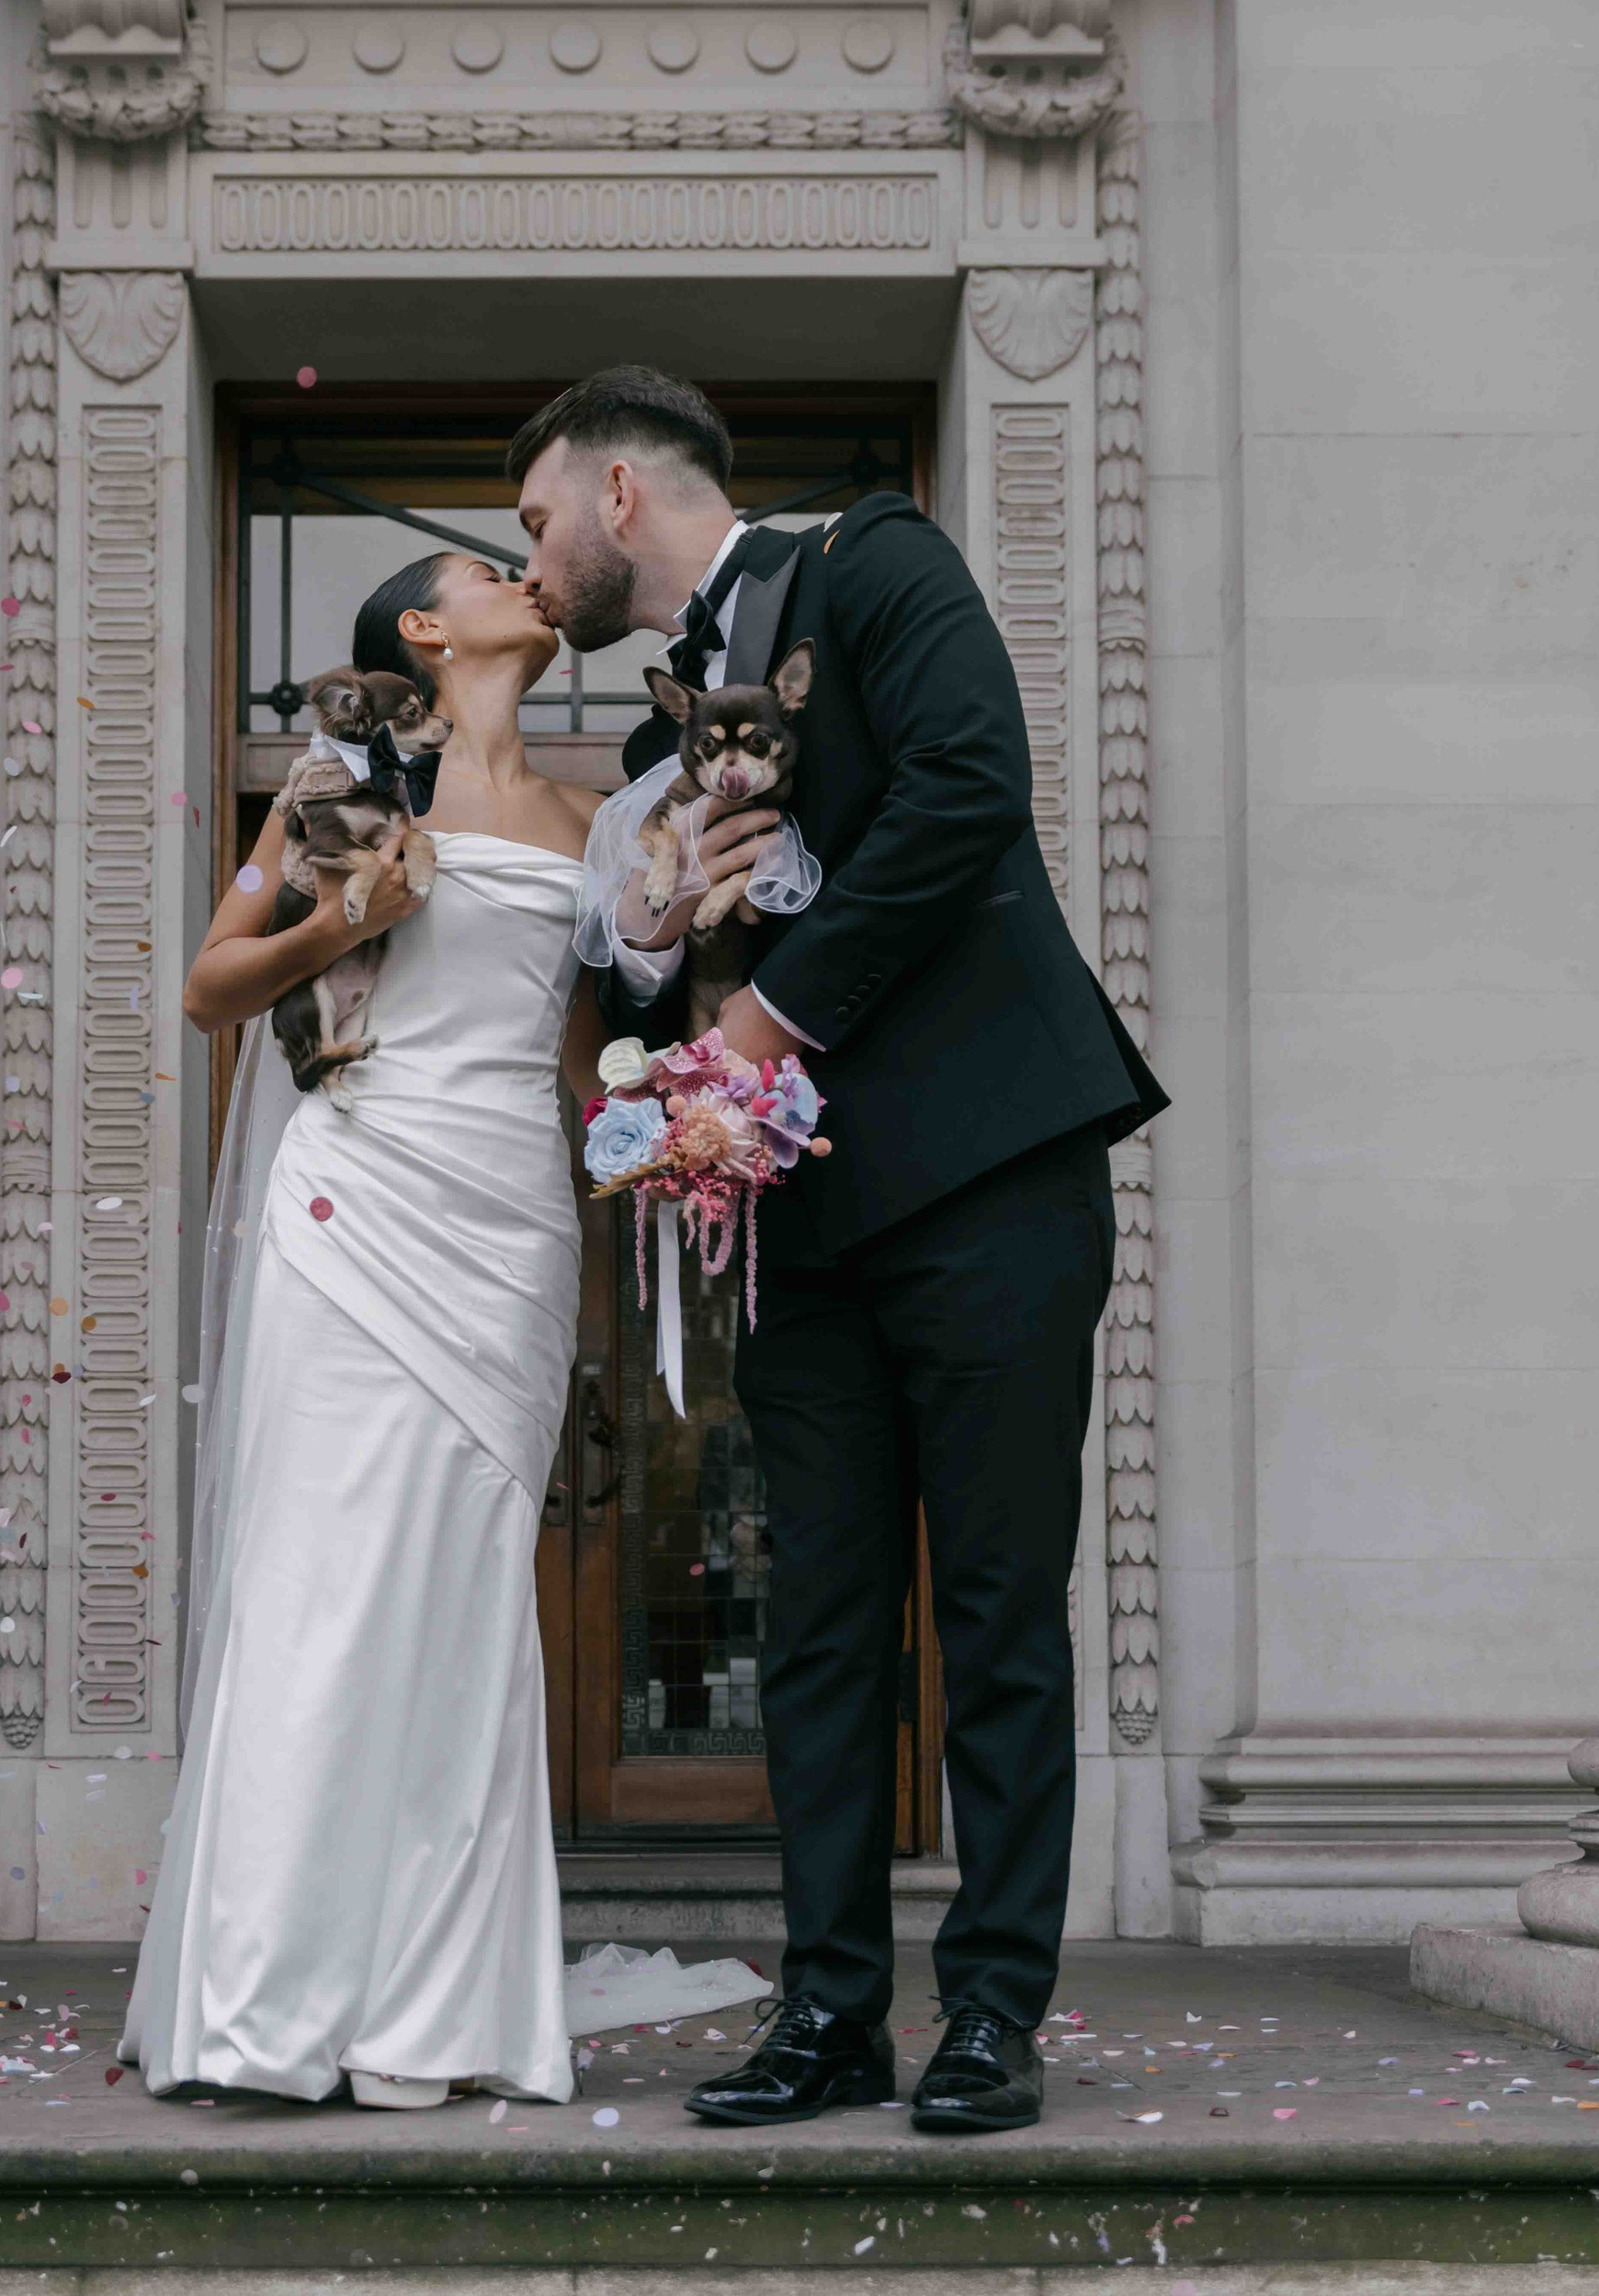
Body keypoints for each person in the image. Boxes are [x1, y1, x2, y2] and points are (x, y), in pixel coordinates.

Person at [513, 367, 1166, 2137]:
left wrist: (772, 1029)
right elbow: (653, 987)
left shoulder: (875, 563)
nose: (534, 559)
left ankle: (994, 2015)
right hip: (796, 1224)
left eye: (538, 519)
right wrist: (656, 971)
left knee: (998, 1608)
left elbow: (968, 790)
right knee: (812, 1621)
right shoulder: (659, 754)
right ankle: (826, 2016)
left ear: (624, 493)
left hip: (992, 1180)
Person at [120, 547, 604, 2108]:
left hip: (512, 1227)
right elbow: (210, 988)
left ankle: (433, 2014)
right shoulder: (330, 789)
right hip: (354, 1204)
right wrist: (347, 919)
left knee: (464, 1610)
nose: (530, 580)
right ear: (422, 628)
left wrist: (682, 1130)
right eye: (489, 569)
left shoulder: (596, 825)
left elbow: (582, 1061)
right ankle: (266, 2003)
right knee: (323, 1587)